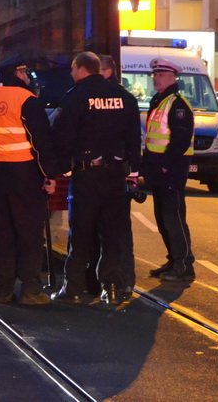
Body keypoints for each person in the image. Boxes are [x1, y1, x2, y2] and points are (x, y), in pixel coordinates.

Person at [50, 52, 142, 307]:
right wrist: (134, 172)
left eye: (72, 68)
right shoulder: (125, 98)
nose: (70, 73)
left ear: (82, 69)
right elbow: (135, 139)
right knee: (114, 233)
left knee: (81, 233)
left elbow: (62, 136)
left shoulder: (75, 97)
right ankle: (112, 288)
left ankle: (75, 288)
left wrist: (56, 169)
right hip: (116, 175)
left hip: (87, 175)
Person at [0, 57, 59, 306]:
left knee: (2, 233)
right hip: (25, 176)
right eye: (24, 71)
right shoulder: (26, 100)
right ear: (17, 73)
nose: (28, 75)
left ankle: (2, 289)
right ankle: (30, 290)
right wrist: (49, 175)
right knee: (29, 234)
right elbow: (40, 143)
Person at [141, 57, 196, 282]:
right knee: (163, 218)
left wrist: (165, 166)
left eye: (161, 74)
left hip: (171, 170)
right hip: (159, 170)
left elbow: (180, 141)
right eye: (155, 74)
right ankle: (174, 260)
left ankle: (184, 265)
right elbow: (152, 140)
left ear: (173, 77)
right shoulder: (160, 100)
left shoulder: (178, 104)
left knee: (173, 218)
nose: (156, 78)